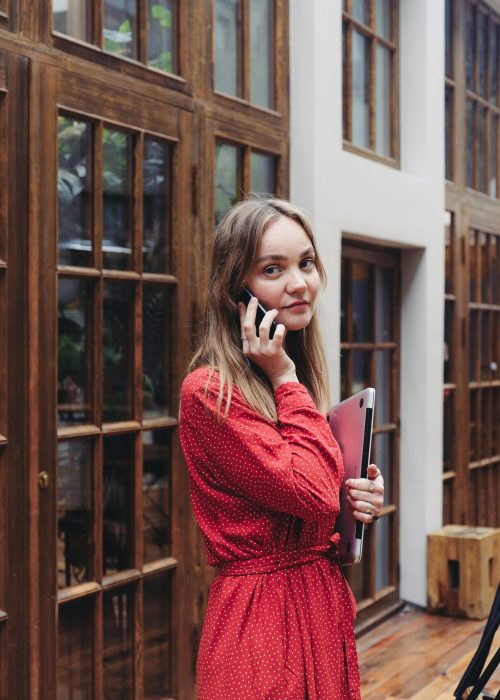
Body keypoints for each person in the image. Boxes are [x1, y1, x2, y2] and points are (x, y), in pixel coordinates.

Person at [180, 197, 384, 699]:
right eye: (273, 268)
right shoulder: (210, 392)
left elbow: (313, 511)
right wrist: (287, 376)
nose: (299, 282)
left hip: (318, 606)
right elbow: (312, 492)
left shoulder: (291, 384)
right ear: (236, 290)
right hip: (259, 623)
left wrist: (355, 508)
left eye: (306, 262)